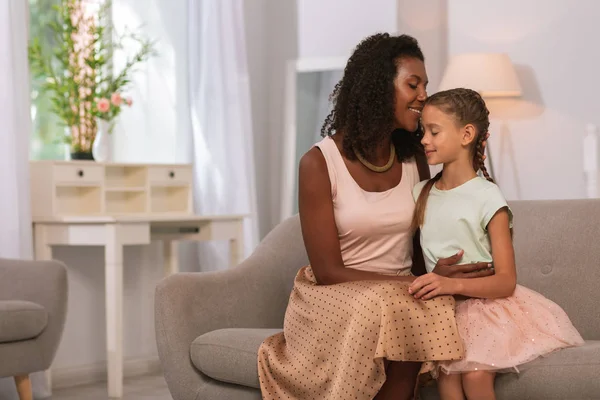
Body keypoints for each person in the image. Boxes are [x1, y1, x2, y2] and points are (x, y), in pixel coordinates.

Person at [257, 34, 494, 400]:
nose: (423, 96)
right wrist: (416, 285)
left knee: (416, 303)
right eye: (412, 85)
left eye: (425, 86)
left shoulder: (415, 158)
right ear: (378, 89)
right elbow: (328, 271)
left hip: (398, 295)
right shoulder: (320, 163)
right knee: (392, 302)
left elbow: (419, 244)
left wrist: (436, 276)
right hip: (335, 297)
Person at [408, 88, 585, 400]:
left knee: (475, 375)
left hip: (486, 311)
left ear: (466, 135)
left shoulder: (488, 197)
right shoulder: (420, 193)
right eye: (423, 131)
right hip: (441, 314)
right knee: (447, 378)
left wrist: (449, 285)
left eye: (434, 131)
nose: (424, 139)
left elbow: (505, 281)